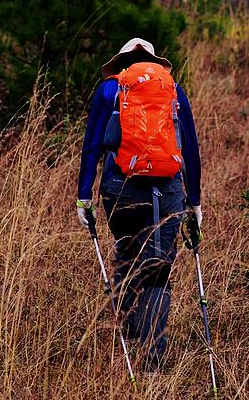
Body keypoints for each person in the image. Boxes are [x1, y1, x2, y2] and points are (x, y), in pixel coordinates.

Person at [77, 37, 202, 372]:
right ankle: (153, 359)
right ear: (153, 60)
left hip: (120, 190)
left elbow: (92, 146)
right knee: (157, 272)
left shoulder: (110, 89)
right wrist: (195, 201)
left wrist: (84, 195)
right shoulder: (173, 90)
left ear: (121, 62)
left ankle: (130, 333)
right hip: (169, 191)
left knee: (126, 251)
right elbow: (189, 149)